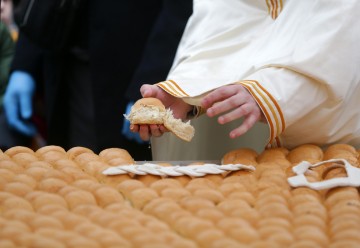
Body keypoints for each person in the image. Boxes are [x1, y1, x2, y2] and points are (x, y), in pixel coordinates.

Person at [131, 0, 360, 159]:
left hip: (330, 129)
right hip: (236, 139)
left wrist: (271, 91)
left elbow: (338, 23)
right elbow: (221, 21)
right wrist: (189, 91)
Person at [3, 0, 192, 160]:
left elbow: (180, 8)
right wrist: (25, 62)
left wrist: (151, 79)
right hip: (63, 63)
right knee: (71, 173)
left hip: (133, 68)